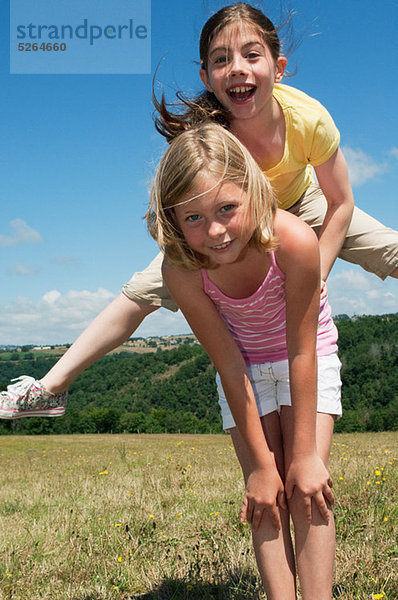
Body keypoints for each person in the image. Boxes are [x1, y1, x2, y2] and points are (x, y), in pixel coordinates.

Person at [1, 2, 397, 418]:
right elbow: (185, 208)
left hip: (302, 203)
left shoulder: (308, 119)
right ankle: (49, 388)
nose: (238, 68)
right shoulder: (207, 134)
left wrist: (313, 273)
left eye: (251, 55)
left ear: (278, 68)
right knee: (143, 290)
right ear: (207, 77)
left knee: (388, 249)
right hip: (228, 218)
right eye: (221, 59)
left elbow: (342, 202)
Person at [146, 120, 341, 599]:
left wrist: (304, 456)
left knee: (305, 489)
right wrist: (258, 466)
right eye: (192, 218)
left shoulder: (294, 241)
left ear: (252, 190)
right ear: (172, 221)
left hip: (305, 355)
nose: (214, 230)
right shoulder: (183, 270)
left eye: (226, 208)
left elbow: (301, 349)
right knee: (267, 496)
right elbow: (230, 366)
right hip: (244, 371)